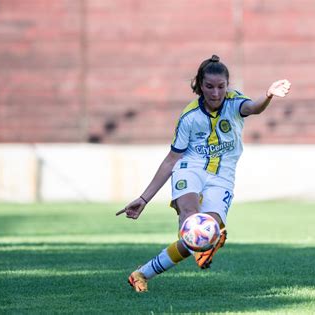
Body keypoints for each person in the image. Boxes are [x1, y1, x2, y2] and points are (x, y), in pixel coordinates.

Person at [116, 55, 291, 292]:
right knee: (191, 219)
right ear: (200, 86)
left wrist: (268, 95)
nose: (216, 93)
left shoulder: (234, 102)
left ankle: (141, 274)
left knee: (199, 236)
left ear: (228, 86)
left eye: (221, 87)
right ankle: (205, 240)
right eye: (209, 87)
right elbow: (171, 160)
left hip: (223, 176)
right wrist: (144, 198)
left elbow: (253, 107)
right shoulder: (189, 117)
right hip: (192, 168)